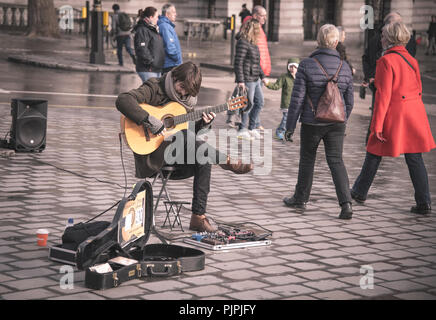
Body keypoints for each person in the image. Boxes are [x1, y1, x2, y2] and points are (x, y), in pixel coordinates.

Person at [116, 62, 253, 232]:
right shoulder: (154, 87)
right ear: (174, 77)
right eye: (181, 87)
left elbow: (187, 133)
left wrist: (203, 123)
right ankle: (226, 160)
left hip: (175, 155)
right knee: (187, 140)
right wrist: (150, 120)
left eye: (187, 92)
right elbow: (123, 100)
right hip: (151, 156)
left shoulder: (186, 102)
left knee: (204, 157)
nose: (182, 93)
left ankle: (198, 217)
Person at [351, 21, 435, 215]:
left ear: (389, 38)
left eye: (382, 36)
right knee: (415, 157)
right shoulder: (412, 60)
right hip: (414, 112)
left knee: (374, 149)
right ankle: (424, 202)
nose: (380, 39)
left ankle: (359, 191)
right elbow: (419, 89)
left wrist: (376, 125)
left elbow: (383, 96)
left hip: (396, 113)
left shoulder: (386, 61)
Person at [283, 24, 354, 220]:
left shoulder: (306, 64)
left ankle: (300, 198)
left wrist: (289, 127)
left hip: (312, 122)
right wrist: (342, 119)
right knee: (336, 161)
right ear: (336, 42)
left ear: (318, 41)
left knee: (307, 160)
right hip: (337, 123)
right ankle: (346, 203)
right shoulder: (345, 66)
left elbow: (297, 99)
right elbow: (350, 101)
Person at [362, 12, 416, 143]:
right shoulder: (379, 44)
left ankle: (378, 139)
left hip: (398, 91)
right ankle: (375, 140)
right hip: (387, 86)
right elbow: (366, 58)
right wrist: (370, 77)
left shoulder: (405, 48)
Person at [234, 19, 265, 140]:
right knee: (247, 105)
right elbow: (238, 63)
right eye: (258, 30)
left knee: (259, 102)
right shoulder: (243, 42)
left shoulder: (253, 43)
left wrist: (263, 76)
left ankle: (251, 128)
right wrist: (240, 80)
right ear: (253, 30)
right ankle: (242, 129)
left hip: (255, 78)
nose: (260, 32)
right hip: (247, 78)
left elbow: (257, 62)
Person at [264, 58, 300, 140]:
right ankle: (279, 132)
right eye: (291, 67)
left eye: (295, 67)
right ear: (288, 67)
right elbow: (276, 86)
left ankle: (286, 132)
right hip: (287, 103)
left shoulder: (300, 78)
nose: (292, 69)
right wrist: (268, 83)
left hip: (296, 103)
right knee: (286, 119)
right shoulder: (284, 77)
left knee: (293, 120)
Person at [133, 7, 165, 83]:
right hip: (148, 69)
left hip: (155, 68)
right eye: (157, 17)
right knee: (151, 93)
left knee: (154, 93)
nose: (158, 19)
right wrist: (151, 61)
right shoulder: (143, 29)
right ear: (151, 17)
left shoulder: (152, 29)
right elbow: (142, 49)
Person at [158, 4, 182, 73]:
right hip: (170, 65)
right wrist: (177, 59)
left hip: (170, 64)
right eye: (173, 12)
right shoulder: (165, 26)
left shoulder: (167, 26)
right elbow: (170, 47)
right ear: (167, 14)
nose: (176, 14)